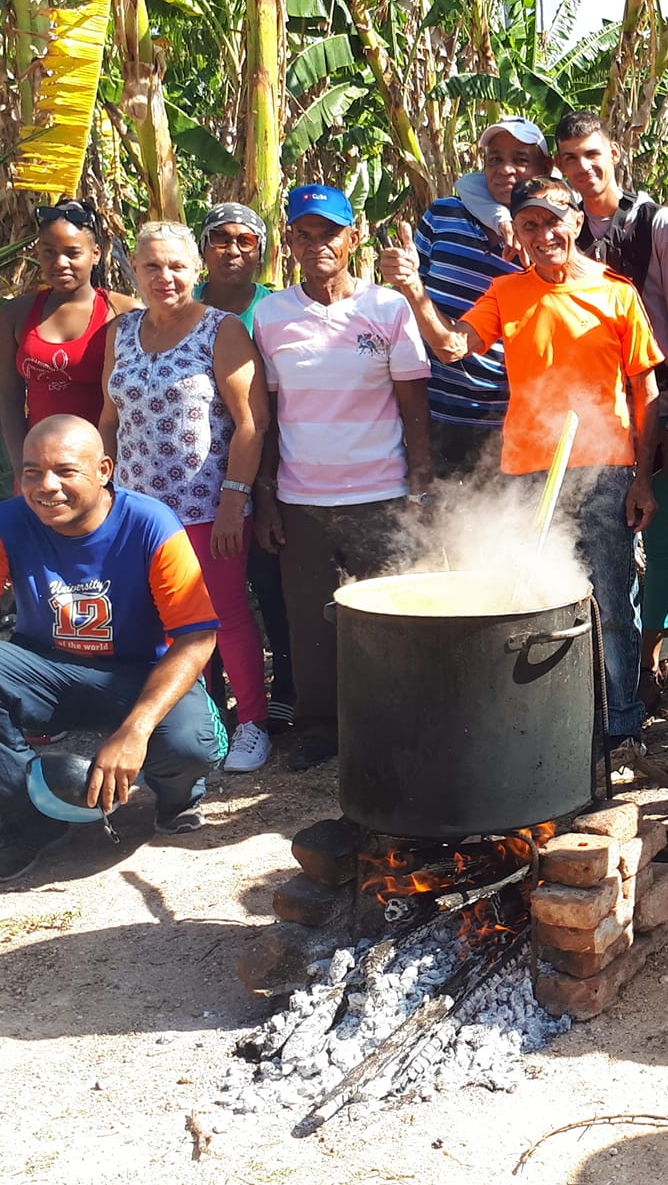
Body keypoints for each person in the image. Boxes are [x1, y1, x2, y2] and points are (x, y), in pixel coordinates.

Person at [383, 180, 664, 763]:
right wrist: (414, 292)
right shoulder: (507, 292)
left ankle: (623, 723)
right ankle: (551, 715)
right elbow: (454, 347)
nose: (542, 236)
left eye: (552, 222)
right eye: (529, 226)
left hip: (604, 467)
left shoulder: (617, 294)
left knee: (612, 597)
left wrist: (642, 476)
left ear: (577, 223)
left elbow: (646, 388)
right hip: (528, 470)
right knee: (535, 597)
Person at [0, 416, 225, 883]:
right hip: (48, 670)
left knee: (190, 744)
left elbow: (197, 636)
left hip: (138, 675)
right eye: (32, 472)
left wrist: (134, 731)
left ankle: (177, 796)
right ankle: (29, 821)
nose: (47, 487)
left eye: (66, 471)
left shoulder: (150, 524)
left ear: (104, 469)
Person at [254, 184, 433, 772]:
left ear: (353, 237)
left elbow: (414, 408)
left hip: (380, 492)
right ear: (290, 242)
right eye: (304, 234)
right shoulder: (273, 315)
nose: (317, 244)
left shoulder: (387, 308)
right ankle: (319, 726)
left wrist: (421, 486)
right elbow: (269, 416)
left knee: (390, 615)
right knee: (309, 620)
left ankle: (396, 721)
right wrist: (268, 495)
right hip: (302, 496)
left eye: (329, 232)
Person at [99, 223, 272, 775]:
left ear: (195, 269)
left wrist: (232, 501)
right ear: (135, 271)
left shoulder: (221, 331)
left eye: (175, 266)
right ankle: (198, 723)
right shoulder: (120, 332)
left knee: (224, 617)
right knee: (164, 622)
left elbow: (252, 423)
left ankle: (253, 723)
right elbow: (109, 418)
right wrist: (101, 495)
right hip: (135, 510)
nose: (165, 277)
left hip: (204, 505)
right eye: (152, 267)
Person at [555, 111, 668, 708]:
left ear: (615, 152)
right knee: (593, 540)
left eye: (593, 154)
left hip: (656, 404)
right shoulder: (557, 230)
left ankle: (649, 658)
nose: (583, 169)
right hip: (587, 415)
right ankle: (599, 661)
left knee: (659, 532)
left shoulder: (656, 224)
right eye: (569, 158)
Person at [196, 202, 295, 737]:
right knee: (207, 597)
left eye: (245, 241)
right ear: (203, 247)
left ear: (262, 250)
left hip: (264, 467)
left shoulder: (275, 310)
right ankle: (209, 697)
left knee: (269, 583)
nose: (232, 250)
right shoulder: (181, 306)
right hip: (197, 481)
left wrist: (265, 487)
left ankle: (283, 692)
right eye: (220, 239)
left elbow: (275, 410)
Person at [415, 115, 550, 477]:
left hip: (509, 421)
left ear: (545, 169)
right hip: (435, 411)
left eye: (520, 159)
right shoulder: (443, 215)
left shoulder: (551, 239)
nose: (506, 169)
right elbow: (415, 291)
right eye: (495, 159)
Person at [0, 199, 138, 465]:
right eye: (49, 252)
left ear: (95, 254)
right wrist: (22, 467)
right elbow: (9, 399)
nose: (60, 262)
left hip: (105, 464)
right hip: (40, 464)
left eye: (72, 253)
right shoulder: (16, 314)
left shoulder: (125, 312)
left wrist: (112, 469)